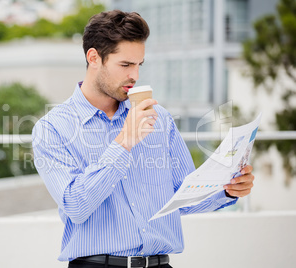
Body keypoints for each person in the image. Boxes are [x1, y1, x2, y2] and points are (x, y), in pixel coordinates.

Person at [32, 10, 254, 268]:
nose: (135, 76)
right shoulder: (52, 128)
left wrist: (226, 190)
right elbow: (76, 207)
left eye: (139, 65)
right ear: (93, 57)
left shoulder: (159, 119)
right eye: (125, 65)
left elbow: (183, 196)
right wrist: (123, 143)